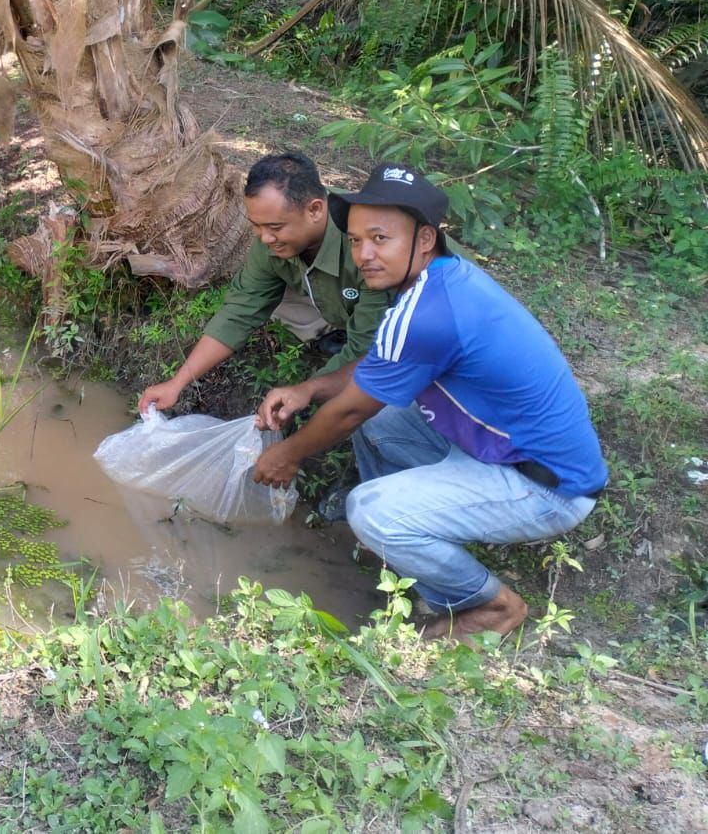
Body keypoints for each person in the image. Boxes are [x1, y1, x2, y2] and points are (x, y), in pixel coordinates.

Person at [249, 163, 608, 639]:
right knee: (382, 422)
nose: (365, 254)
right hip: (507, 453)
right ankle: (402, 549)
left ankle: (487, 607)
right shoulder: (442, 281)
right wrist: (309, 389)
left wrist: (286, 454)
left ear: (423, 239)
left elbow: (354, 407)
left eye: (381, 238)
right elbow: (378, 371)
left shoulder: (428, 313)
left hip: (547, 487)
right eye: (356, 240)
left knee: (370, 508)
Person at [137, 152, 390, 416]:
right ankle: (331, 332)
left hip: (393, 329)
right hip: (341, 303)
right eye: (256, 226)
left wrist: (304, 392)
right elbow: (241, 311)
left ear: (315, 209)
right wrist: (177, 382)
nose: (265, 238)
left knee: (373, 401)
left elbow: (364, 350)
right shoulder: (271, 240)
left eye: (275, 227)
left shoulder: (367, 248)